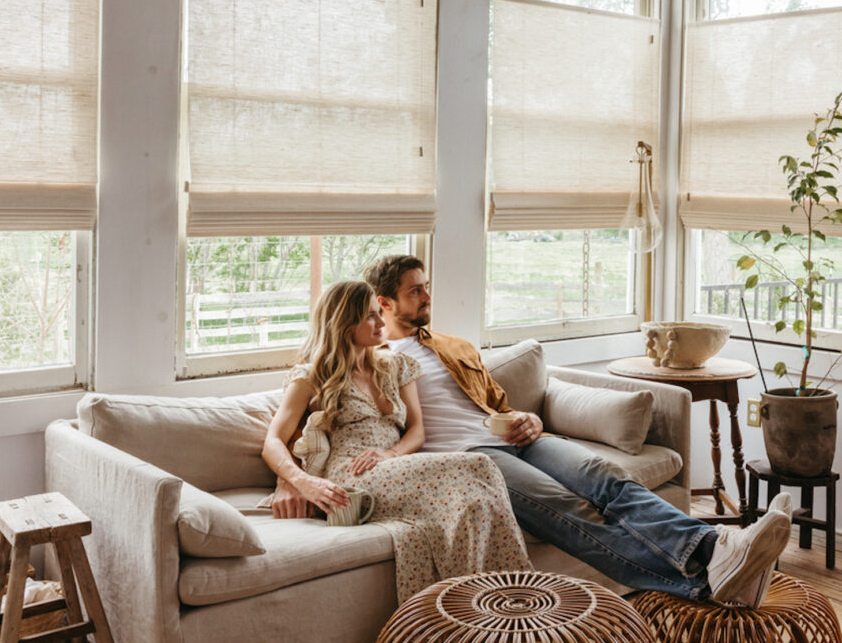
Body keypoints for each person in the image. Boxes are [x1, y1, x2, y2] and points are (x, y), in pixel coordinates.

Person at [364, 254, 792, 607]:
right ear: (384, 302)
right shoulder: (375, 360)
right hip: (472, 460)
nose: (427, 297)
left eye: (426, 286)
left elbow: (495, 401)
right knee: (569, 509)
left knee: (606, 478)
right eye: (414, 291)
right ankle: (705, 580)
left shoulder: (452, 345)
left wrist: (528, 419)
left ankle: (715, 548)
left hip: (518, 438)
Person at [262, 279, 532, 602]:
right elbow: (273, 442)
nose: (381, 323)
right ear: (344, 323)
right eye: (370, 317)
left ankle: (486, 604)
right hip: (352, 474)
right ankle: (517, 597)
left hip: (393, 464)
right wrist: (302, 482)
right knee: (478, 464)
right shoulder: (312, 375)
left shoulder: (396, 366)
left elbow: (417, 430)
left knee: (474, 503)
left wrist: (390, 453)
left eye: (380, 313)